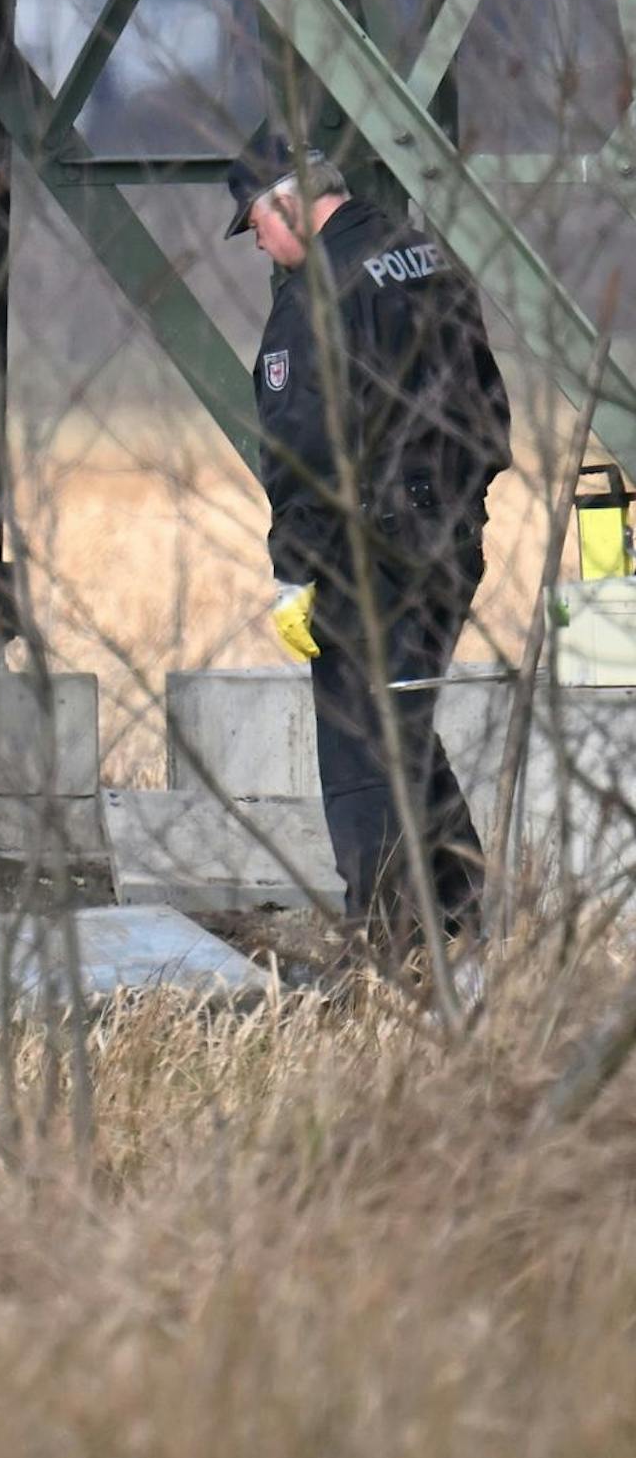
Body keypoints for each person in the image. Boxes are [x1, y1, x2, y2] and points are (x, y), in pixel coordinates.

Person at [228, 134, 512, 956]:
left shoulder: (315, 293)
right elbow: (488, 414)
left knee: (361, 748)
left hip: (366, 555)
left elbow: (304, 450)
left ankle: (387, 944)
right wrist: (452, 505)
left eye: (254, 224)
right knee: (405, 725)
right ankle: (458, 915)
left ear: (288, 202)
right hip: (450, 541)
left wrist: (296, 574)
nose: (258, 246)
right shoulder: (425, 258)